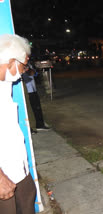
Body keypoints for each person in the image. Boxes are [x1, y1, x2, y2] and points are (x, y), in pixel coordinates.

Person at [0, 34, 36, 213]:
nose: (24, 71)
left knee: (29, 197)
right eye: (23, 65)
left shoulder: (4, 84)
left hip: (17, 169)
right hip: (3, 177)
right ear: (11, 61)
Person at [22, 62, 50, 131]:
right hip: (28, 90)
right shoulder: (20, 64)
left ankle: (39, 124)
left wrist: (36, 69)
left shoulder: (29, 64)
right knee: (31, 109)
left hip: (33, 89)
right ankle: (34, 126)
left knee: (37, 108)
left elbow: (34, 74)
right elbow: (30, 73)